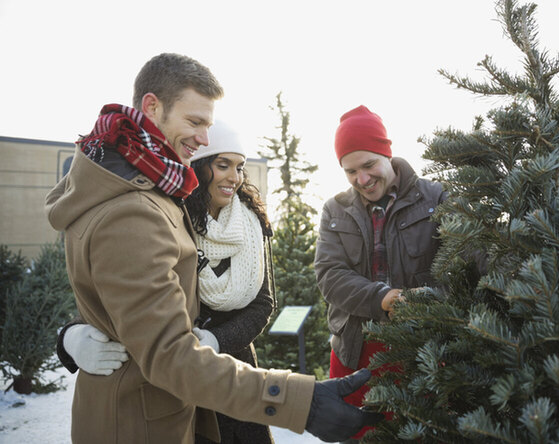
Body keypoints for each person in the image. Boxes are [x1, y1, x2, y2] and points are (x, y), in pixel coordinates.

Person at [45, 53, 382, 444]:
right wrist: (72, 335)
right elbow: (160, 340)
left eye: (208, 125)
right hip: (146, 413)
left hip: (197, 393)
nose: (205, 137)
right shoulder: (137, 207)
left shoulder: (152, 189)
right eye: (195, 122)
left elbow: (133, 296)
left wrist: (218, 341)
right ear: (152, 107)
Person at [58, 120, 278, 444]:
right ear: (201, 166)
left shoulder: (252, 223)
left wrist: (217, 340)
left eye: (240, 167)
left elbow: (263, 302)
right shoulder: (171, 215)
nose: (234, 177)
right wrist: (69, 337)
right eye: (222, 165)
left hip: (236, 373)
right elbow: (129, 295)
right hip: (175, 380)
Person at [314, 105, 447, 443]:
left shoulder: (436, 198)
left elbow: (460, 267)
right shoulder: (335, 210)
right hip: (354, 353)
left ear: (387, 154)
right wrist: (383, 299)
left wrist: (427, 303)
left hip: (422, 353)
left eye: (369, 165)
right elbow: (330, 275)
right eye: (350, 171)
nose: (362, 179)